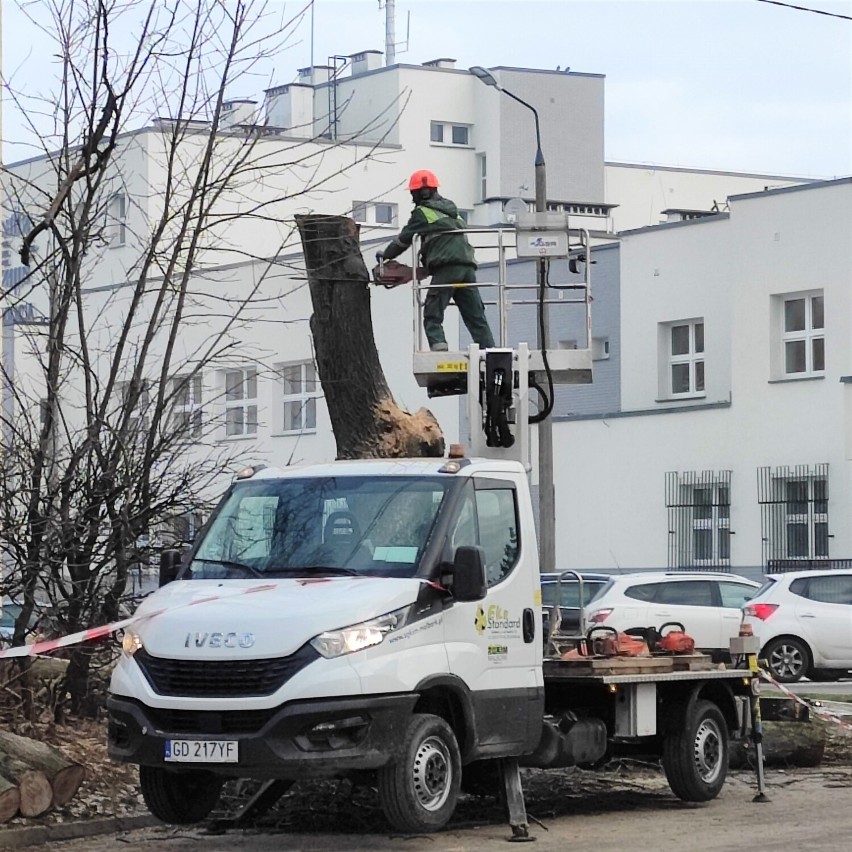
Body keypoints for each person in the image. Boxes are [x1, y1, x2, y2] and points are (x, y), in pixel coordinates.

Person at [380, 169, 495, 352]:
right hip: (467, 267)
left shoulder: (422, 213)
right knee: (475, 314)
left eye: (413, 193)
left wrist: (384, 256)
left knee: (433, 312)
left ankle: (439, 348)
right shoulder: (452, 211)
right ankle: (490, 350)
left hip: (446, 268)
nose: (413, 197)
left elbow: (403, 240)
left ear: (422, 192)